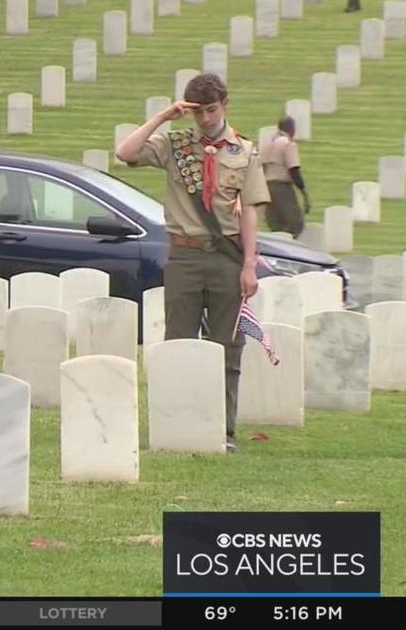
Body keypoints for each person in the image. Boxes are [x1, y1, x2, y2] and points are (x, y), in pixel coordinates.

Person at [115, 73, 270, 453]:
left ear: (225, 105)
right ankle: (176, 425)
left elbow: (250, 211)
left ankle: (224, 430)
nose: (204, 119)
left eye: (211, 110)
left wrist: (249, 264)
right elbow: (126, 152)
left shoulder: (244, 152)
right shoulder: (175, 145)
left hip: (225, 257)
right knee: (179, 341)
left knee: (226, 345)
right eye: (197, 112)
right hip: (183, 254)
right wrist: (164, 116)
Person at [261, 116, 309, 237]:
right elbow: (294, 169)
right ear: (292, 129)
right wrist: (304, 193)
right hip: (282, 188)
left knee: (276, 227)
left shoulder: (267, 144)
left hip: (267, 187)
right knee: (295, 225)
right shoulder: (288, 144)